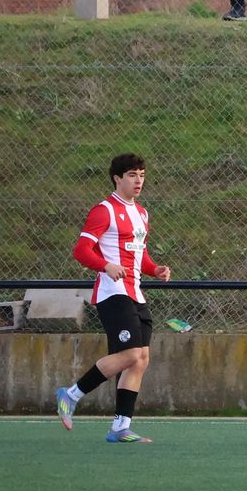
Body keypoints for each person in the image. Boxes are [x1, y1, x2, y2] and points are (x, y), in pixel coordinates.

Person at [55, 154, 172, 444]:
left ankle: (121, 427)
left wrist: (155, 269)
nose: (139, 180)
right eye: (132, 175)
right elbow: (82, 250)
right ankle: (70, 395)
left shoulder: (142, 214)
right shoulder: (104, 210)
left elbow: (139, 255)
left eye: (142, 175)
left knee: (141, 359)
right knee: (131, 353)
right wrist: (105, 266)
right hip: (112, 293)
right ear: (117, 179)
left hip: (135, 292)